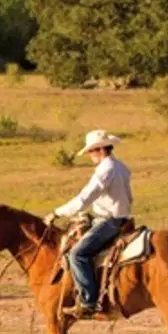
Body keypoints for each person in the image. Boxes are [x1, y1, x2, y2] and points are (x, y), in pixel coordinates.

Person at [46, 130, 132, 319]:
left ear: (100, 149)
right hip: (121, 218)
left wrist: (57, 213)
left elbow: (84, 198)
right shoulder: (121, 167)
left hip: (109, 221)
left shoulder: (105, 171)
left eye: (91, 151)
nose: (90, 155)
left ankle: (88, 302)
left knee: (77, 254)